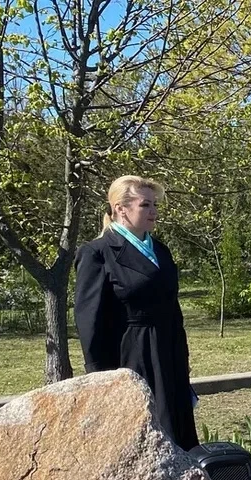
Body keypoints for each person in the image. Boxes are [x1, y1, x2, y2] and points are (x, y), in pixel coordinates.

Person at [74, 176, 199, 450]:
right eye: (145, 205)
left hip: (168, 352)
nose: (153, 211)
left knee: (177, 435)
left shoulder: (161, 251)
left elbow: (172, 308)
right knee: (143, 437)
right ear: (120, 208)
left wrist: (182, 356)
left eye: (155, 205)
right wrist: (100, 377)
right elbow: (89, 320)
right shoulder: (97, 253)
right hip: (130, 356)